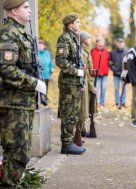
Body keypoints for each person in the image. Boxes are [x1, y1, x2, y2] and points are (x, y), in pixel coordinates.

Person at [0, 0, 47, 187]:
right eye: (25, 7)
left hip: (23, 103)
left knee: (23, 151)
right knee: (16, 151)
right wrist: (34, 83)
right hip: (12, 104)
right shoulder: (8, 34)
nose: (29, 11)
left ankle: (12, 183)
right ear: (13, 10)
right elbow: (6, 69)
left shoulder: (23, 33)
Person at [56, 13, 85, 155]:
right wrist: (76, 72)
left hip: (74, 83)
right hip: (68, 83)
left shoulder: (74, 39)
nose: (79, 24)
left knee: (73, 113)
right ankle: (66, 143)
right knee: (68, 113)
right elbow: (61, 61)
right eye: (77, 22)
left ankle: (70, 140)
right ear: (70, 24)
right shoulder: (65, 38)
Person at [75, 31, 97, 145]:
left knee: (86, 109)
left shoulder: (86, 52)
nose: (90, 40)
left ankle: (81, 131)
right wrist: (91, 86)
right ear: (83, 40)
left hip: (87, 83)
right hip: (84, 83)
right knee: (82, 110)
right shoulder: (82, 53)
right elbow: (86, 72)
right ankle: (79, 132)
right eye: (88, 38)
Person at [91, 37, 110, 107]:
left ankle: (102, 102)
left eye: (102, 44)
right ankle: (96, 101)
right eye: (99, 44)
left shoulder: (106, 52)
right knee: (96, 88)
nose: (101, 46)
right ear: (96, 44)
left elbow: (108, 61)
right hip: (96, 74)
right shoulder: (92, 51)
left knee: (103, 88)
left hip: (104, 73)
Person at [109, 38, 128, 107]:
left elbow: (130, 62)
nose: (120, 44)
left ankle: (123, 102)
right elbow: (110, 62)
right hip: (116, 73)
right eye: (118, 42)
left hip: (124, 74)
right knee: (116, 88)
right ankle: (117, 102)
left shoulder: (127, 52)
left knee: (124, 88)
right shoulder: (113, 52)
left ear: (123, 43)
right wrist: (113, 69)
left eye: (121, 42)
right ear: (116, 44)